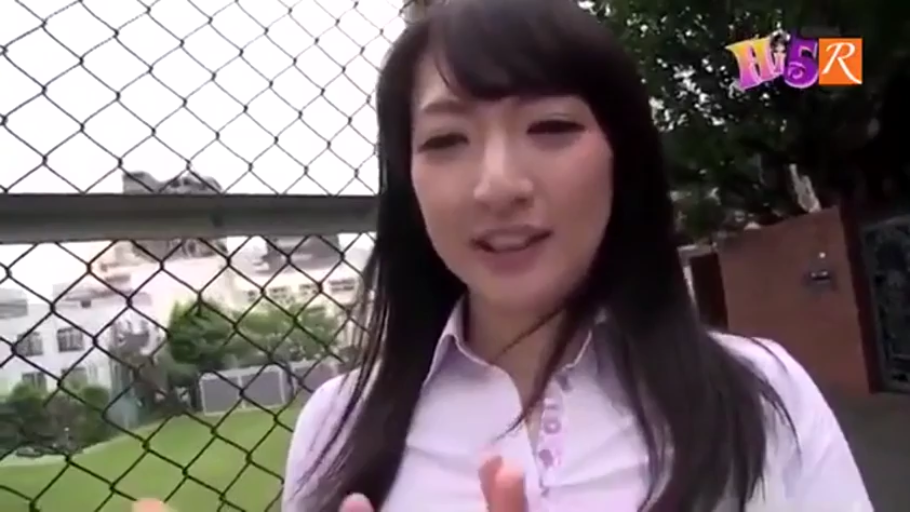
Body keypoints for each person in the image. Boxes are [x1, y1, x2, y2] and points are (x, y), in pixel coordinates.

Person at [278, 0, 873, 511]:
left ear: (624, 157)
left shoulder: (761, 396)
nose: (498, 186)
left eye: (551, 127)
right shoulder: (336, 431)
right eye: (446, 139)